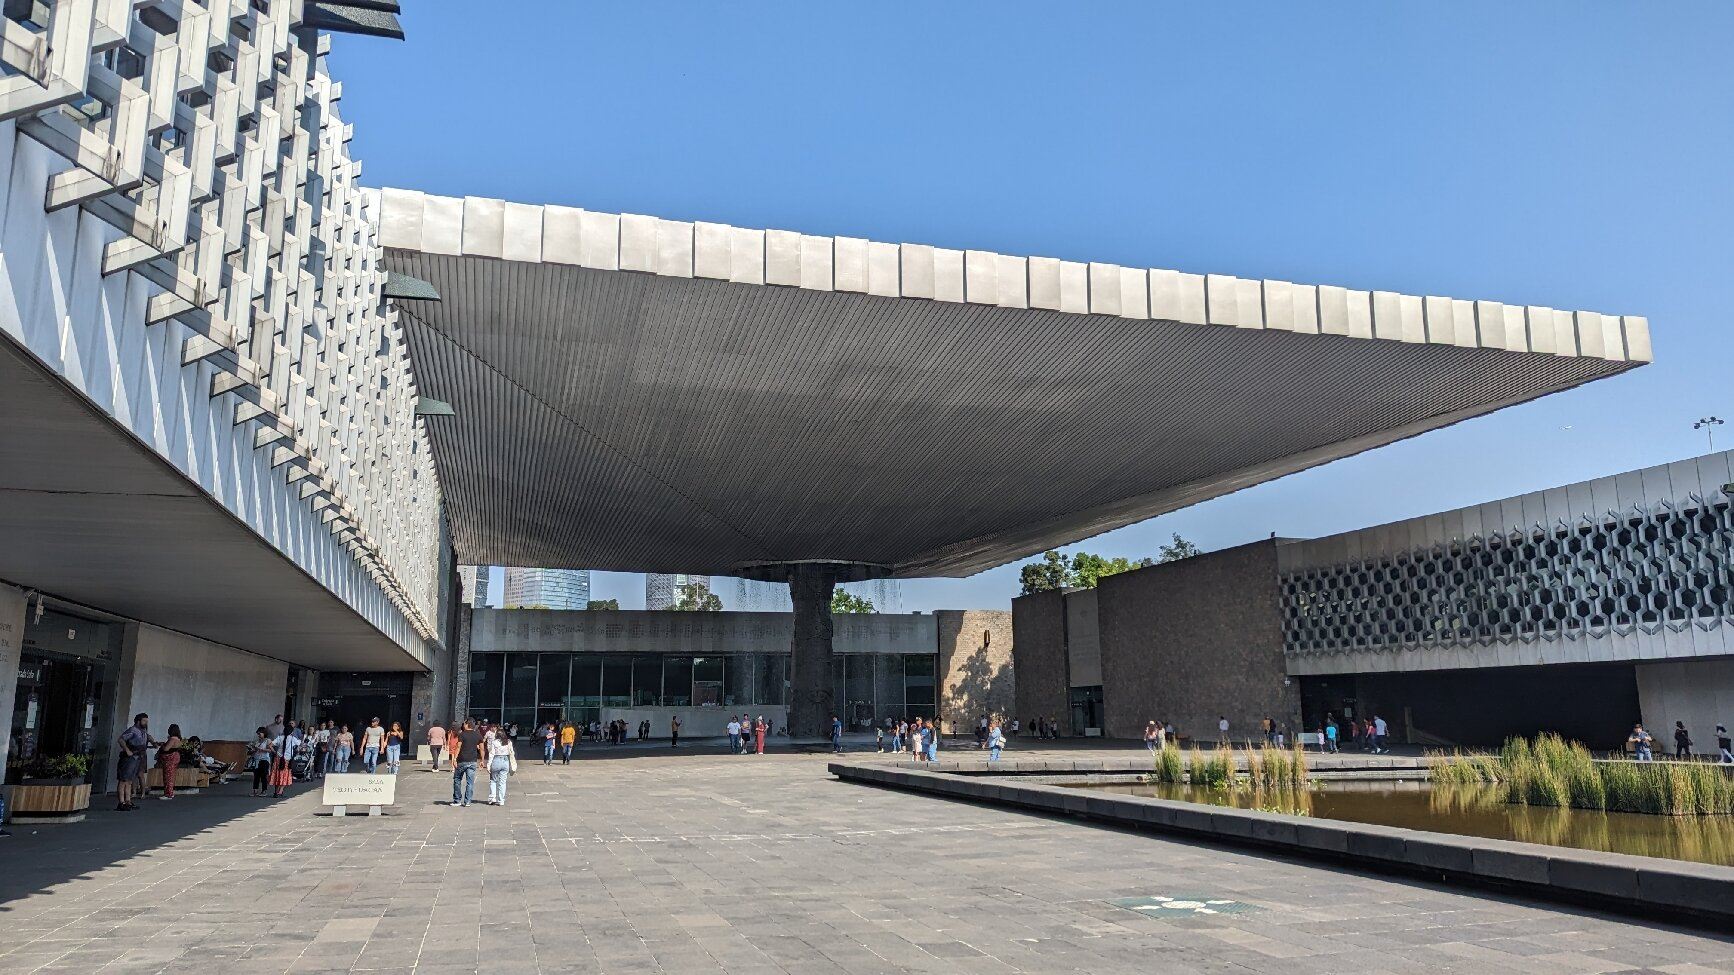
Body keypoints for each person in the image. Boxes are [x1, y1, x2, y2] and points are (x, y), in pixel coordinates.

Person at [115, 713, 152, 811]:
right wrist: (127, 750)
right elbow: (121, 739)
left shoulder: (143, 732)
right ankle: (121, 802)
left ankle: (128, 801)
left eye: (146, 721)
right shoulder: (132, 730)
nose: (146, 723)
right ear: (138, 721)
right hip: (129, 757)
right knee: (123, 780)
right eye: (144, 721)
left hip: (138, 757)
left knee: (130, 780)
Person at [450, 719, 482, 807]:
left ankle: (457, 800)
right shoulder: (478, 735)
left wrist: (455, 759)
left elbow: (458, 747)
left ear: (467, 725)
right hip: (472, 761)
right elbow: (481, 748)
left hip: (462, 760)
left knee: (457, 780)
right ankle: (467, 801)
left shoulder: (462, 734)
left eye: (464, 723)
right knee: (470, 782)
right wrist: (482, 760)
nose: (463, 725)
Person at [486, 726, 515, 806]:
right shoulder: (508, 742)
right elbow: (512, 752)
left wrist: (488, 765)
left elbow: (491, 754)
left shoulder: (495, 742)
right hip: (505, 761)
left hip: (496, 760)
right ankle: (501, 800)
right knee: (502, 782)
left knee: (493, 780)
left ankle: (492, 798)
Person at [155, 723, 185, 800]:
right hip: (176, 757)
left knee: (168, 776)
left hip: (170, 758)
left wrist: (162, 745)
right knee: (171, 775)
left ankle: (168, 794)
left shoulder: (172, 739)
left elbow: (166, 749)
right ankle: (170, 792)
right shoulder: (178, 739)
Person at [269, 724, 296, 798]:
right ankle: (280, 791)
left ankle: (275, 792)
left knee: (277, 774)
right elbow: (300, 745)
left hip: (278, 758)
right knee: (285, 775)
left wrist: (275, 752)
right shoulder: (293, 739)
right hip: (288, 759)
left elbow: (270, 745)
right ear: (291, 732)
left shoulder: (280, 738)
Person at [248, 727, 274, 797]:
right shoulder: (257, 741)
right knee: (256, 776)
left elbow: (270, 750)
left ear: (264, 733)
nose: (259, 735)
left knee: (263, 776)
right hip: (257, 760)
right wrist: (252, 749)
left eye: (260, 733)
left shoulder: (268, 740)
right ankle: (255, 790)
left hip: (264, 760)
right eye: (258, 734)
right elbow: (253, 751)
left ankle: (264, 790)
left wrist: (261, 749)